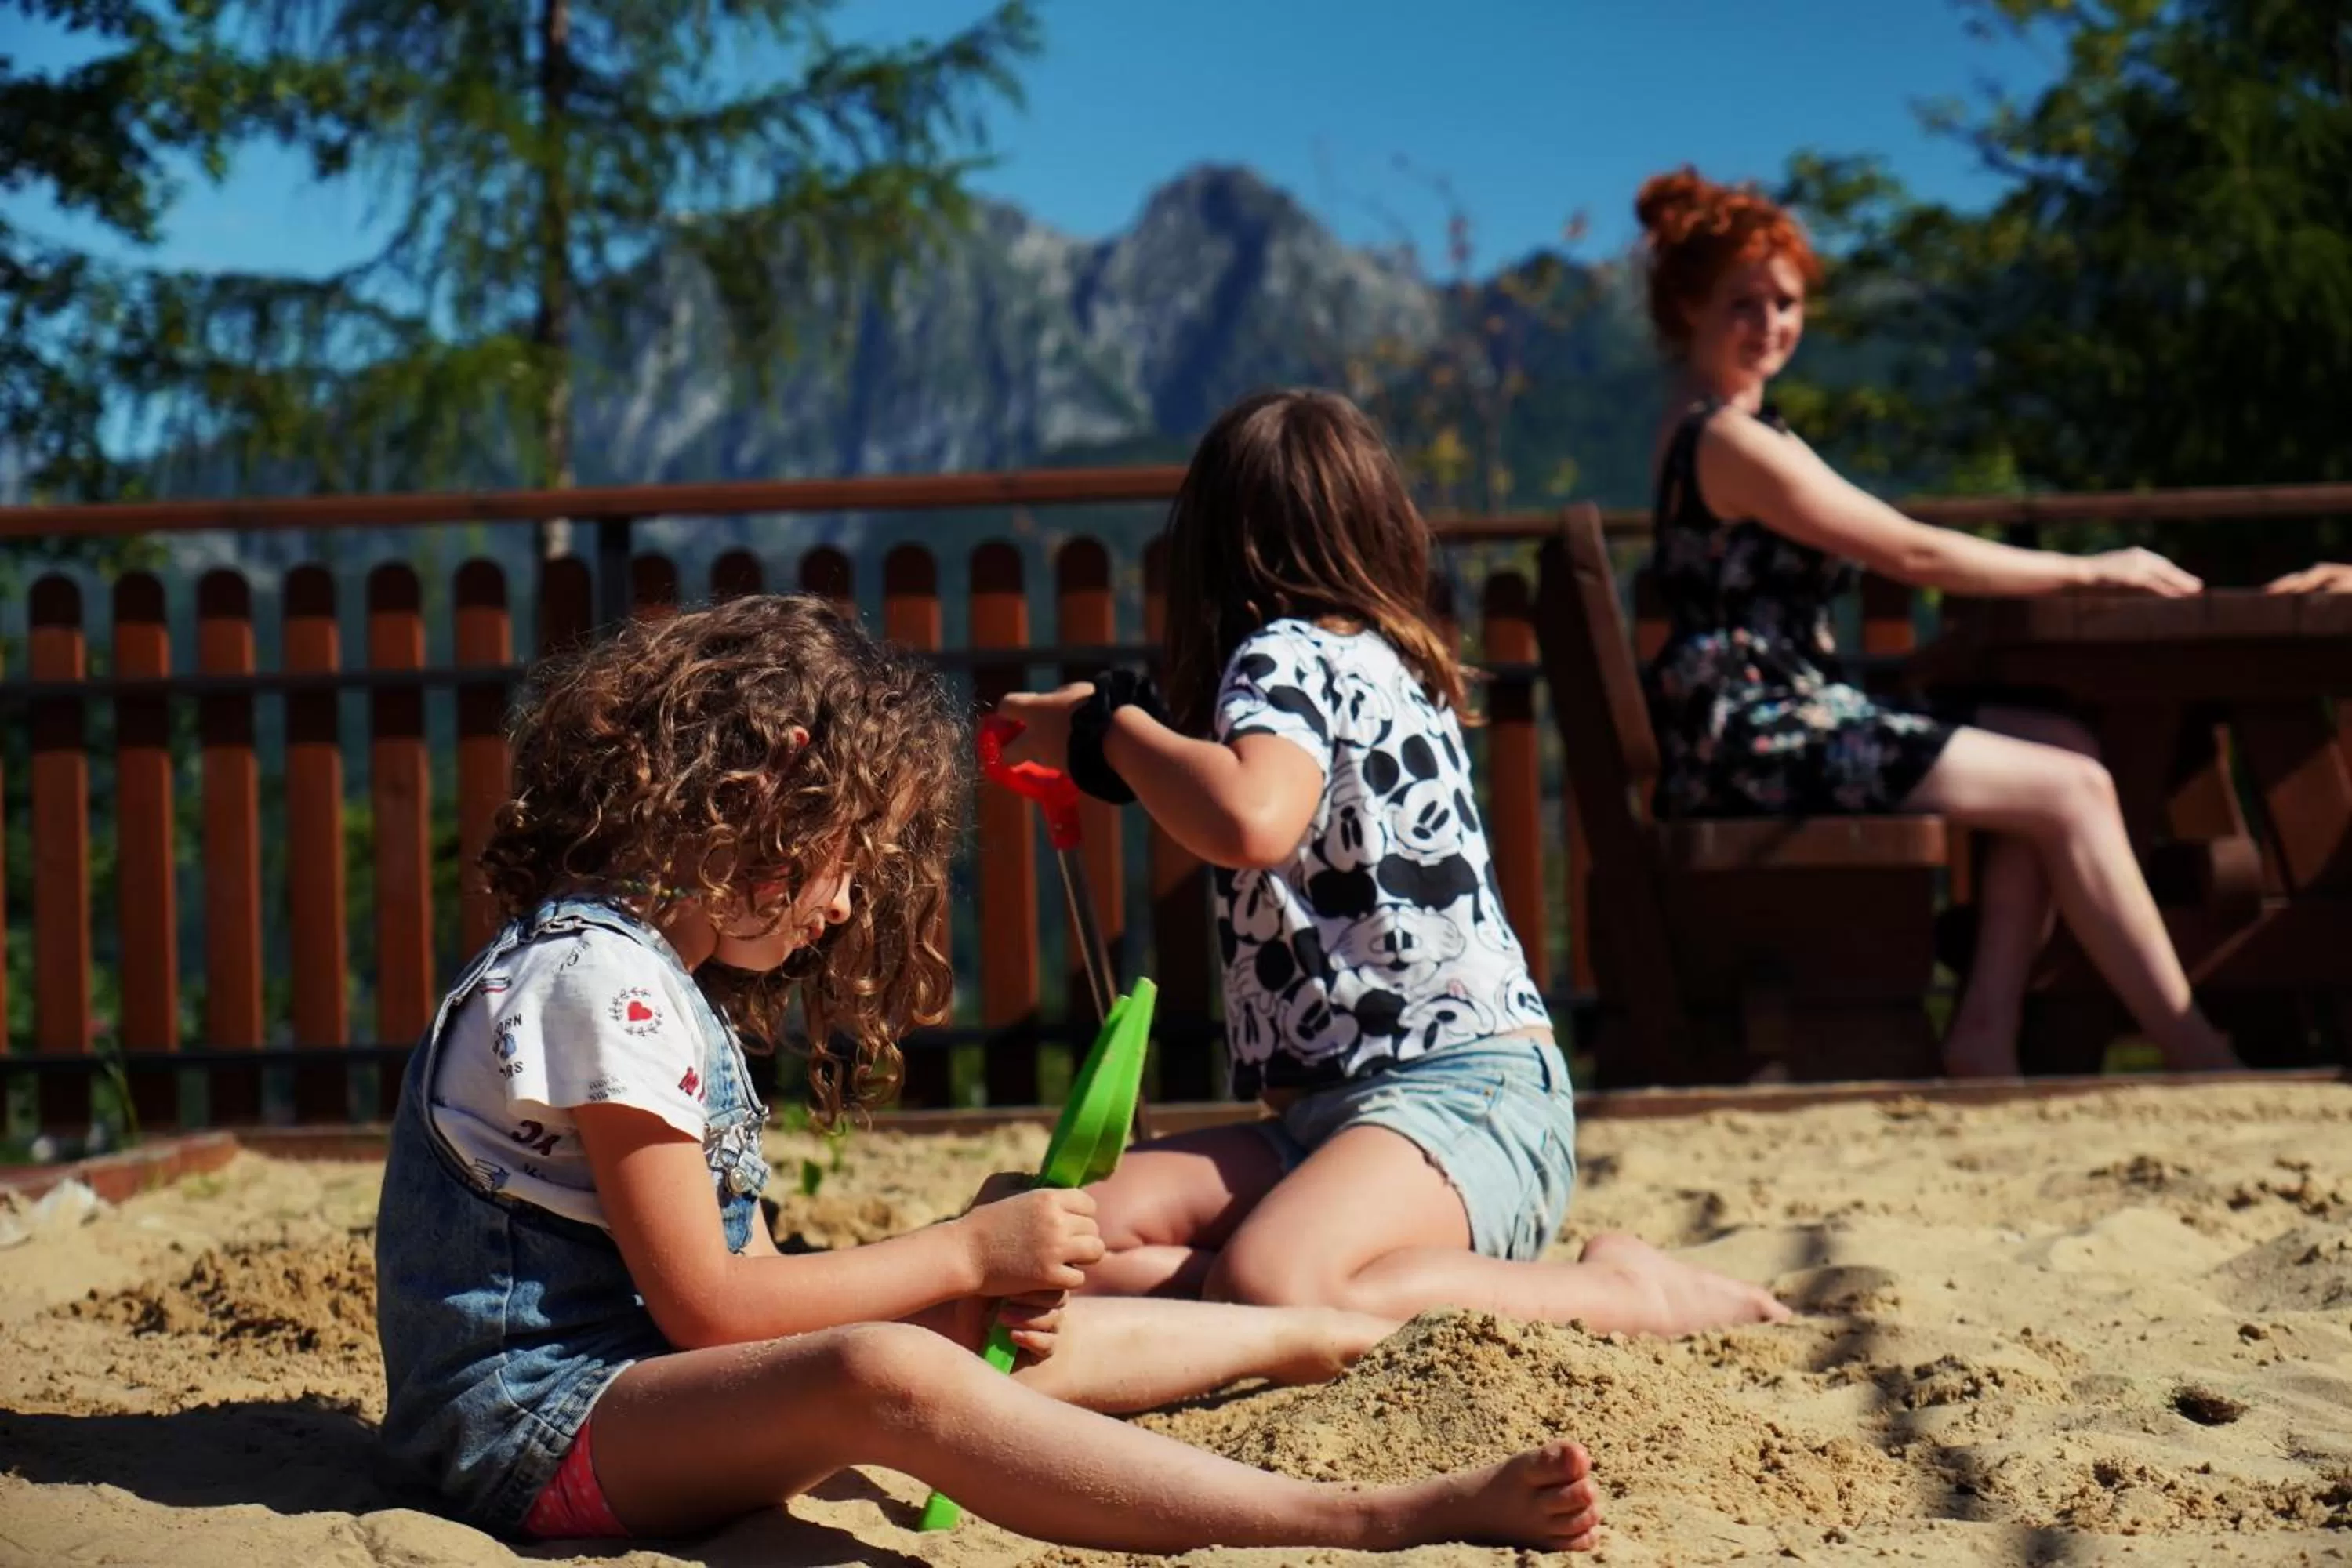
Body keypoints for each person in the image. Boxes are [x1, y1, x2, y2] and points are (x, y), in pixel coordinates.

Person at [371, 593, 1603, 1555]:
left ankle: (1308, 1333)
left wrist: (965, 1282)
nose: (849, 900)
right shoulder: (605, 984)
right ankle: (1365, 1520)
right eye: (848, 855)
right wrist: (965, 1253)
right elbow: (712, 1310)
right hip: (535, 1435)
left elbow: (736, 1296)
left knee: (965, 1333)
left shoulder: (646, 981)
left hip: (634, 1391)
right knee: (891, 1368)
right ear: (759, 802)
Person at [996, 390, 1789, 1337]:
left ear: (1213, 554)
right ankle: (1271, 1277)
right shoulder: (1386, 659)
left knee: (1269, 1285)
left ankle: (1626, 1294)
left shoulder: (1279, 654)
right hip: (1332, 1124)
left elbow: (1253, 818)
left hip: (1460, 1103)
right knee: (1055, 1231)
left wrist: (1105, 725)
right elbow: (1253, 787)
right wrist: (1126, 743)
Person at [1627, 166, 2243, 1080]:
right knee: (2070, 788)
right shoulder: (1727, 440)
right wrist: (2092, 569)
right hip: (1754, 737)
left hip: (1767, 718)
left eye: (1785, 301)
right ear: (1690, 307)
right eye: (1742, 304)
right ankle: (2199, 1050)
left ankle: (1983, 1036)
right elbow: (1910, 555)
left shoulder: (1718, 424)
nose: (1768, 324)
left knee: (2055, 740)